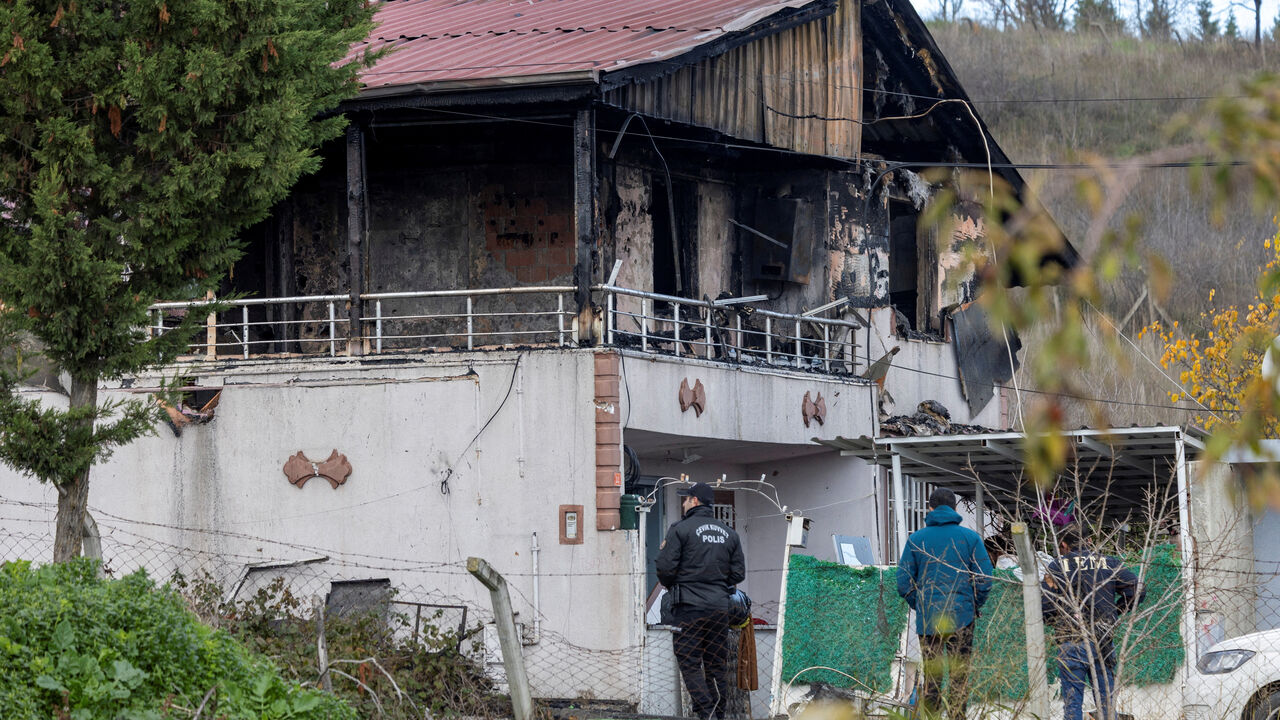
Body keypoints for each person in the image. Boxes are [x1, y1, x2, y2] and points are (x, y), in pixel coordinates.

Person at [897, 488, 993, 720]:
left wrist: (921, 604)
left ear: (930, 508)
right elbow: (985, 579)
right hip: (963, 617)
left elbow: (903, 582)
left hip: (929, 620)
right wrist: (972, 604)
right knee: (960, 678)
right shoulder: (970, 538)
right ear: (955, 508)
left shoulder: (916, 539)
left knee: (932, 680)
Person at [656, 482, 746, 720]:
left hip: (688, 608)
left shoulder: (680, 529)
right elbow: (739, 574)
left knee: (689, 661)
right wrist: (716, 583)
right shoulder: (729, 533)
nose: (683, 504)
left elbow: (664, 567)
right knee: (716, 664)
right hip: (719, 608)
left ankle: (706, 713)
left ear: (694, 500)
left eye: (685, 500)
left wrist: (677, 584)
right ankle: (718, 714)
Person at [1041, 525, 1144, 720]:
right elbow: (1137, 589)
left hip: (1071, 639)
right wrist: (1116, 611)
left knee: (1072, 705)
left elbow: (1046, 606)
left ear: (1063, 544)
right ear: (1089, 541)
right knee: (1107, 703)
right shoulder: (1108, 562)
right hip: (1102, 640)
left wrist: (1058, 620)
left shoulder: (1056, 567)